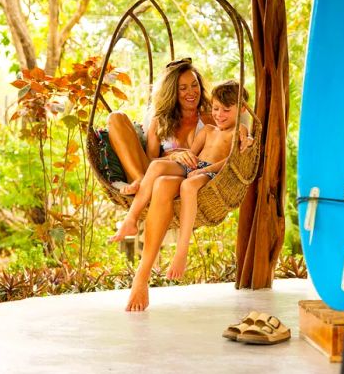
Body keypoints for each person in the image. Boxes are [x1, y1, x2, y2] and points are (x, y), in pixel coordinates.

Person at [124, 80, 251, 312]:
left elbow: (233, 160)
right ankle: (130, 220)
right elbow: (190, 155)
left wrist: (245, 144)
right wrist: (178, 158)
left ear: (241, 109)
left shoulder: (239, 132)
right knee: (157, 170)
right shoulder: (208, 130)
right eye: (215, 109)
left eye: (226, 110)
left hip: (211, 176)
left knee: (188, 186)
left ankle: (181, 251)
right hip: (194, 167)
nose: (219, 115)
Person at [106, 58, 213, 241]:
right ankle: (140, 182)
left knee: (159, 175)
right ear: (173, 91)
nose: (191, 92)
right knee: (116, 117)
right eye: (183, 88)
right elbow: (151, 161)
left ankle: (140, 189)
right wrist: (173, 157)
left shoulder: (209, 119)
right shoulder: (160, 120)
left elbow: (224, 142)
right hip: (150, 174)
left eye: (195, 85)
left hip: (180, 178)